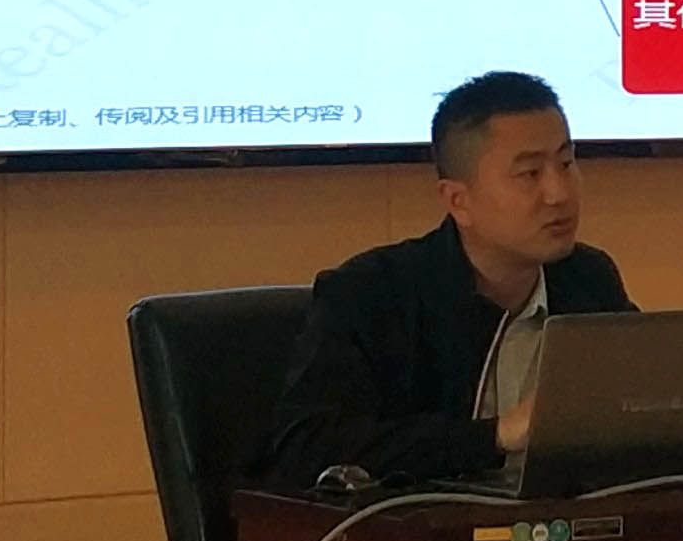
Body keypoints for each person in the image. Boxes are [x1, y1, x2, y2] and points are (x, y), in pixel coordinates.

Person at [255, 70, 636, 487]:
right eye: (530, 174)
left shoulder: (587, 280)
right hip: (426, 524)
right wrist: (495, 435)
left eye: (566, 163)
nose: (559, 193)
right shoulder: (373, 294)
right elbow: (306, 448)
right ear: (458, 200)